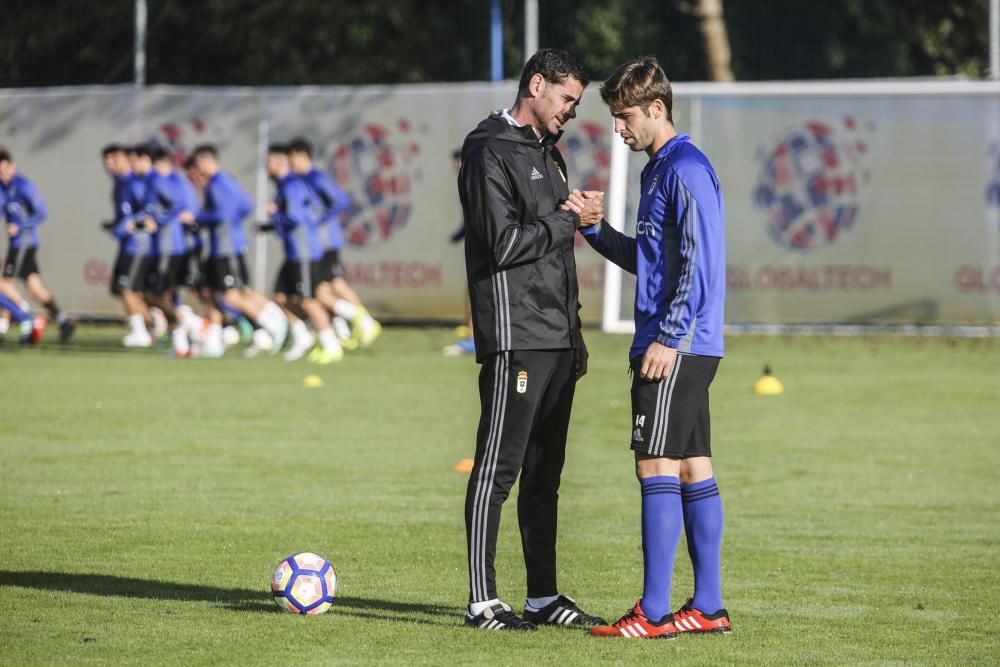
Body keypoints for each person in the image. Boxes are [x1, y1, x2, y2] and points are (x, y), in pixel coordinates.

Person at [569, 56, 731, 639]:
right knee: (690, 466)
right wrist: (593, 228)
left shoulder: (684, 167)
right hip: (685, 340)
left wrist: (669, 335)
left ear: (656, 108)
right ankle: (708, 607)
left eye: (625, 115)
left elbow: (697, 260)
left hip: (676, 343)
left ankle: (654, 612)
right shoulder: (658, 168)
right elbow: (653, 262)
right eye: (614, 116)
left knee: (653, 464)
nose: (618, 127)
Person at [457, 48, 605, 632]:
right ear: (536, 85)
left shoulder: (550, 151)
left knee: (547, 476)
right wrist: (570, 219)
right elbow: (504, 245)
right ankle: (481, 600)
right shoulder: (488, 149)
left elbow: (555, 258)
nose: (571, 111)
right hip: (516, 336)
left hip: (556, 338)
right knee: (499, 467)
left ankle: (542, 596)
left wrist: (575, 336)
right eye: (566, 98)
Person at [189, 144, 288, 355]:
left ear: (208, 161)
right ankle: (215, 342)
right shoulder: (221, 182)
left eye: (198, 164)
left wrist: (198, 218)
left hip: (227, 247)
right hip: (222, 246)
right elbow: (245, 206)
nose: (197, 170)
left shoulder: (219, 184)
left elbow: (225, 213)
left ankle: (271, 325)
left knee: (233, 296)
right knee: (214, 293)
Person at [287, 137, 381, 350]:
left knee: (330, 286)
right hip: (317, 244)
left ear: (303, 156)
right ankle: (345, 330)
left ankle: (364, 321)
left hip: (325, 242)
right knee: (327, 287)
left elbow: (341, 200)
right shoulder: (301, 179)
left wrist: (319, 218)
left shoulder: (316, 178)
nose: (292, 163)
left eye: (293, 158)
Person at [265, 144, 344, 364]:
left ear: (280, 163)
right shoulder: (284, 186)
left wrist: (276, 215)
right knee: (281, 297)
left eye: (269, 162)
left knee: (309, 300)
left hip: (304, 251)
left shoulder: (292, 186)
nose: (266, 166)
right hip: (293, 253)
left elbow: (295, 217)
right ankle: (304, 338)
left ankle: (332, 344)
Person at [0, 150, 75, 343]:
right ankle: (63, 321)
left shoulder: (24, 186)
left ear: (12, 166)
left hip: (24, 243)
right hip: (18, 244)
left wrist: (20, 226)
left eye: (5, 169)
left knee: (5, 284)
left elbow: (42, 213)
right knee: (35, 288)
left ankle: (25, 319)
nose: (3, 174)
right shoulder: (3, 188)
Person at [102, 144, 155, 347]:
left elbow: (148, 210)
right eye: (107, 161)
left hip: (137, 244)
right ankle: (153, 322)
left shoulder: (134, 182)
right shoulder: (119, 183)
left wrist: (134, 223)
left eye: (115, 159)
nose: (110, 165)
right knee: (120, 289)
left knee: (127, 289)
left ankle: (143, 330)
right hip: (127, 244)